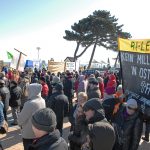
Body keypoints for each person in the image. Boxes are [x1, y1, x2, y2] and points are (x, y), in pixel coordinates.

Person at [18, 83, 46, 150]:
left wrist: (19, 115)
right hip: (40, 132)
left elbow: (20, 120)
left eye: (29, 90)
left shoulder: (29, 103)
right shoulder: (42, 100)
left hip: (29, 133)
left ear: (32, 90)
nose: (27, 91)